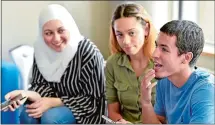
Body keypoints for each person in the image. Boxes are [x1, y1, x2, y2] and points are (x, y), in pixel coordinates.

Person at [3, 4, 106, 124]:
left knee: (50, 118)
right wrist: (26, 94)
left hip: (86, 111)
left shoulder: (87, 51)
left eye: (61, 30)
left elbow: (94, 100)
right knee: (27, 116)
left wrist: (53, 102)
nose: (56, 39)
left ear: (70, 28)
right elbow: (41, 86)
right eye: (48, 33)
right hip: (53, 105)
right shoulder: (41, 50)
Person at [141, 20, 214, 124]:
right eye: (157, 46)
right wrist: (145, 102)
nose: (154, 54)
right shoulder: (164, 80)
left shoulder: (205, 91)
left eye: (164, 49)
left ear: (186, 58)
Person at [105, 3, 157, 124]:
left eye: (132, 33)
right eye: (120, 34)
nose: (126, 41)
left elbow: (166, 116)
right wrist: (120, 121)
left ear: (146, 29)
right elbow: (112, 110)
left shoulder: (162, 63)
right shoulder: (113, 63)